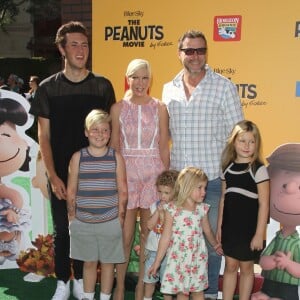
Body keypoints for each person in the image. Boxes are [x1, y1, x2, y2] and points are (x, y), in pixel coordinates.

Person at [29, 21, 116, 300]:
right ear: (61, 49)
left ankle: (80, 280)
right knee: (62, 231)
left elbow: (111, 132)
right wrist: (53, 176)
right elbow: (44, 138)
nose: (81, 50)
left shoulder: (102, 86)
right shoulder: (47, 89)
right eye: (74, 44)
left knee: (86, 231)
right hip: (60, 174)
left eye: (85, 44)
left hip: (95, 174)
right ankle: (62, 283)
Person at [162, 29, 244, 300]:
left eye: (200, 50)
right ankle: (179, 292)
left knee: (210, 245)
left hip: (211, 182)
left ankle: (207, 294)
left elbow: (237, 136)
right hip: (178, 184)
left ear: (206, 53)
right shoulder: (168, 89)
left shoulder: (224, 87)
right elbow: (165, 135)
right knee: (177, 242)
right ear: (179, 53)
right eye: (189, 50)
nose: (195, 56)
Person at [110, 58, 170, 300]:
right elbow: (115, 146)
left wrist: (167, 182)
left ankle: (143, 290)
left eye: (145, 77)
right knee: (124, 238)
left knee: (148, 238)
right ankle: (120, 287)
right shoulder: (117, 109)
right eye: (135, 77)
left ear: (150, 80)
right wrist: (116, 180)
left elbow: (164, 146)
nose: (140, 83)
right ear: (128, 78)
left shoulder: (160, 108)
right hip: (126, 177)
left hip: (153, 177)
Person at [67, 109, 127, 300]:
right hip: (83, 221)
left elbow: (123, 190)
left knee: (109, 264)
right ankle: (88, 296)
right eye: (95, 130)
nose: (100, 134)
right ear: (86, 132)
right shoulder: (78, 157)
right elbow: (71, 191)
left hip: (110, 221)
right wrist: (72, 218)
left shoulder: (116, 157)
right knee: (89, 263)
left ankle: (105, 297)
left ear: (110, 133)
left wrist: (120, 218)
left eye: (105, 130)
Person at [148, 167, 222, 300]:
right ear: (187, 187)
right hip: (178, 259)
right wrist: (157, 262)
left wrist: (216, 245)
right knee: (182, 292)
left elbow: (208, 231)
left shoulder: (202, 209)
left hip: (197, 258)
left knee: (198, 291)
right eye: (199, 188)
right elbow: (165, 238)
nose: (204, 192)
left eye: (205, 188)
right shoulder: (172, 210)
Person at [216, 120, 269, 300]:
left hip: (249, 231)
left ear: (257, 144)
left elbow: (264, 204)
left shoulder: (259, 170)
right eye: (242, 141)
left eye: (251, 141)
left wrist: (259, 233)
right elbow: (223, 199)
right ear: (233, 142)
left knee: (247, 268)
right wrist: (219, 228)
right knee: (230, 266)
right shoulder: (227, 168)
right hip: (230, 229)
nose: (246, 146)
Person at [143, 169, 179, 300]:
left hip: (170, 252)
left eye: (167, 193)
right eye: (160, 192)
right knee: (149, 280)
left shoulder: (178, 209)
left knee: (167, 284)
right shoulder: (154, 206)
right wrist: (158, 212)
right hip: (153, 250)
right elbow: (149, 225)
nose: (162, 196)